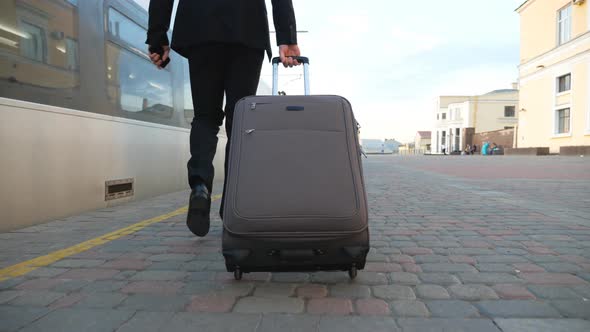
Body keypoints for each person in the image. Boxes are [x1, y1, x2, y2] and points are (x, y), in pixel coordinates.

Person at [146, 0, 302, 237]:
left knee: (205, 117)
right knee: (240, 122)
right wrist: (287, 37)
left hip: (200, 30)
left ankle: (199, 186)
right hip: (247, 30)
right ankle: (231, 202)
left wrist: (158, 37)